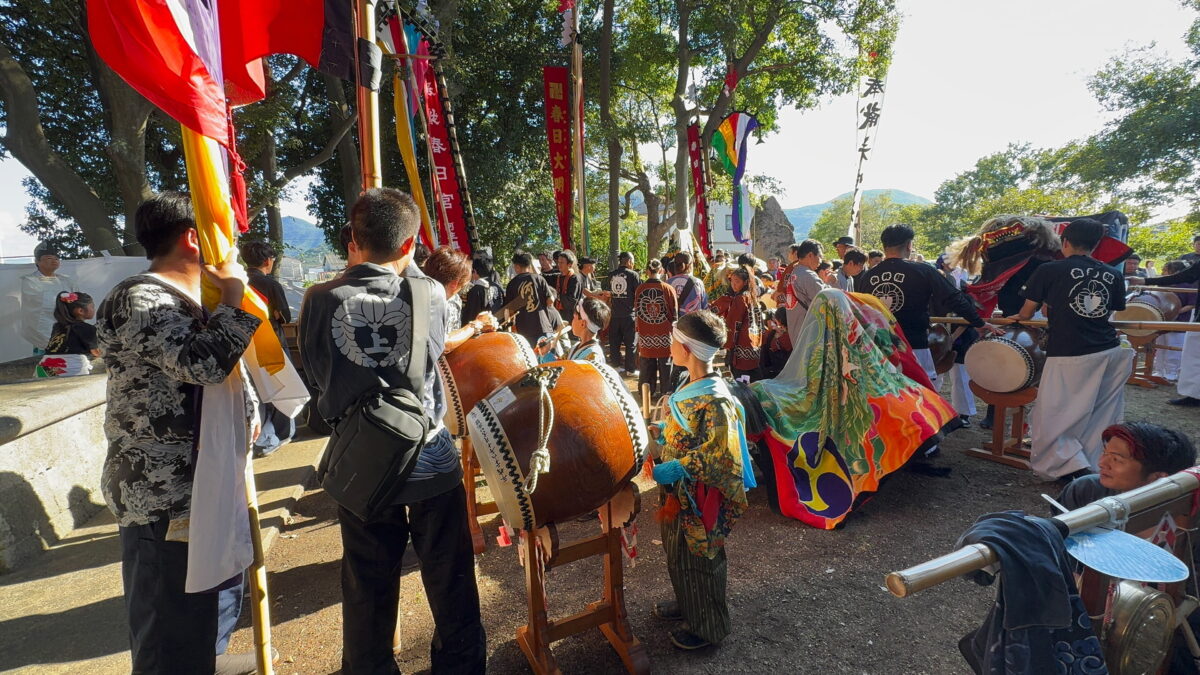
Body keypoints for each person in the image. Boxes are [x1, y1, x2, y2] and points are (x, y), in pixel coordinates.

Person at [299, 188, 486, 674]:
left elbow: (317, 378)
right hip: (430, 458)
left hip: (362, 466)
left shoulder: (319, 299)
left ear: (353, 240)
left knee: (367, 587)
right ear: (410, 247)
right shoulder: (430, 296)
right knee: (452, 583)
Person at [95, 192, 263, 674]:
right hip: (164, 495)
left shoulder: (187, 301)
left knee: (208, 611)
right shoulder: (140, 296)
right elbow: (202, 364)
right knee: (167, 628)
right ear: (195, 238)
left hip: (206, 486)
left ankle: (208, 662)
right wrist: (233, 297)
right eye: (223, 234)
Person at [649, 310, 755, 651]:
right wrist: (666, 433)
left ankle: (709, 628)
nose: (669, 347)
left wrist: (676, 467)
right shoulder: (688, 383)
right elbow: (690, 431)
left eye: (673, 341)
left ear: (689, 348)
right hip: (677, 495)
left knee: (702, 558)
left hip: (699, 497)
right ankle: (689, 604)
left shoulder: (717, 400)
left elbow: (721, 456)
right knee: (678, 552)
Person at [1015, 217, 1131, 481]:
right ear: (1096, 244)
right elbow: (1106, 312)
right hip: (1110, 350)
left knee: (1056, 413)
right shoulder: (1113, 273)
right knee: (1100, 414)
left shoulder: (1049, 270)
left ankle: (1063, 468)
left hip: (1071, 351)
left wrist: (1020, 317)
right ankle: (1091, 466)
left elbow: (1026, 311)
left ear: (1064, 242)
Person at [859, 224, 995, 385]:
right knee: (922, 394)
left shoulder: (867, 276)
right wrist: (979, 322)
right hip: (915, 344)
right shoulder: (923, 270)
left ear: (884, 245)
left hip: (879, 347)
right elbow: (954, 298)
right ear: (909, 245)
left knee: (885, 394)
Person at [1057, 422, 1196, 509]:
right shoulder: (1086, 490)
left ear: (1158, 478)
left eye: (1116, 459)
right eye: (1105, 453)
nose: (1101, 463)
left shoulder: (1184, 512)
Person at [240, 240, 296, 457]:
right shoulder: (271, 285)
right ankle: (281, 433)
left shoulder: (238, 282)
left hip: (245, 345)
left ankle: (261, 434)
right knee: (282, 387)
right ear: (268, 261)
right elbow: (285, 316)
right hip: (273, 342)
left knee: (256, 390)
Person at [20, 242, 77, 355]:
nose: (54, 260)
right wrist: (63, 300)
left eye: (56, 258)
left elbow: (77, 300)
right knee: (47, 365)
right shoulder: (30, 280)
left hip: (66, 328)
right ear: (37, 261)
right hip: (44, 329)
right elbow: (37, 303)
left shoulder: (66, 280)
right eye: (49, 258)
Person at [634, 259, 678, 399]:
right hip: (664, 333)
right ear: (661, 271)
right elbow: (674, 314)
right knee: (665, 364)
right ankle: (666, 392)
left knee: (646, 363)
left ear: (648, 271)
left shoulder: (640, 289)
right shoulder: (668, 289)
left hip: (645, 333)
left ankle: (646, 392)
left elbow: (638, 312)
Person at [711, 267, 763, 381]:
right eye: (732, 281)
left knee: (741, 379)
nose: (734, 285)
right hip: (754, 343)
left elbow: (733, 324)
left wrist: (728, 343)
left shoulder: (740, 298)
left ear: (745, 282)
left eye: (737, 281)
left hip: (741, 345)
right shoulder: (753, 296)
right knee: (753, 378)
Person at [35, 291, 99, 378]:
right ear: (80, 311)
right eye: (92, 307)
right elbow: (95, 352)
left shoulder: (57, 326)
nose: (94, 309)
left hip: (43, 369)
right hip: (70, 369)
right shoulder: (88, 328)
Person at [1152, 260, 1195, 383]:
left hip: (1179, 321)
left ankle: (1172, 372)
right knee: (1160, 347)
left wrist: (1176, 312)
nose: (1163, 273)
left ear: (1175, 272)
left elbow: (1191, 304)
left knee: (1174, 348)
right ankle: (1159, 370)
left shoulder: (1187, 286)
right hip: (1162, 321)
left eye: (1166, 270)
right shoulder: (1163, 285)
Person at [505, 252, 558, 350]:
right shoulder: (539, 278)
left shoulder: (511, 284)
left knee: (531, 361)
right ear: (529, 265)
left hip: (524, 330)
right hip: (543, 326)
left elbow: (510, 311)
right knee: (548, 360)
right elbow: (551, 300)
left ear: (516, 267)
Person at [777, 240, 826, 344]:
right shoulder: (807, 275)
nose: (821, 261)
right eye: (820, 256)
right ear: (811, 255)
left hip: (797, 331)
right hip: (809, 334)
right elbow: (827, 299)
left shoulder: (795, 272)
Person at [600, 251, 640, 373]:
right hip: (629, 314)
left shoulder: (611, 274)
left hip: (614, 313)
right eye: (632, 262)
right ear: (628, 261)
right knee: (630, 343)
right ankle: (630, 369)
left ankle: (616, 366)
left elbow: (606, 292)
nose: (633, 264)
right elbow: (638, 294)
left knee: (614, 341)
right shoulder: (633, 275)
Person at [537, 297, 609, 364]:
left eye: (574, 317)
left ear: (583, 323)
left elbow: (565, 372)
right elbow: (560, 365)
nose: (572, 321)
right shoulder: (576, 346)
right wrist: (545, 353)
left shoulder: (593, 355)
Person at [423, 246, 472, 333]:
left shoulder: (415, 294)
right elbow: (445, 343)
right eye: (462, 286)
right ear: (454, 284)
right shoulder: (449, 303)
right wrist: (475, 326)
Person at [461, 256, 503, 326]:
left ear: (475, 271)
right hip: (498, 327)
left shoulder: (475, 290)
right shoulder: (498, 288)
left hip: (482, 331)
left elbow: (471, 316)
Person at [554, 249, 585, 323]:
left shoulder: (574, 278)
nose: (559, 265)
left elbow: (572, 300)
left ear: (569, 264)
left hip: (571, 314)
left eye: (562, 262)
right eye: (558, 262)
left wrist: (558, 296)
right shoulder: (559, 277)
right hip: (560, 311)